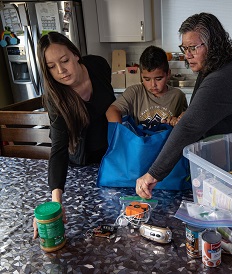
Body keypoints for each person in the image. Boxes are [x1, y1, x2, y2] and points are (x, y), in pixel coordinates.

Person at [136, 13, 232, 199]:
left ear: (212, 44)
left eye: (193, 48)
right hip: (230, 161)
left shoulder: (222, 78)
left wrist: (153, 174)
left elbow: (189, 127)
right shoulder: (216, 67)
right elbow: (196, 114)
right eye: (184, 48)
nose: (187, 55)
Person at [33, 32, 115, 238]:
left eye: (64, 60)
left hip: (113, 154)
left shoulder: (99, 65)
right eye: (51, 67)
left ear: (75, 54)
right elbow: (58, 149)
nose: (61, 71)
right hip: (83, 164)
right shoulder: (55, 98)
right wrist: (56, 203)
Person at [106, 45, 188, 128]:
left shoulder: (178, 95)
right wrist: (118, 133)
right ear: (141, 75)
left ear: (168, 74)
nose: (153, 85)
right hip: (141, 140)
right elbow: (112, 110)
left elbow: (186, 122)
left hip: (168, 140)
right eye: (147, 79)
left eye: (159, 79)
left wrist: (177, 121)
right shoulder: (134, 92)